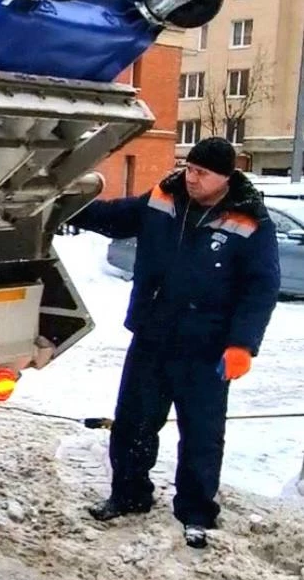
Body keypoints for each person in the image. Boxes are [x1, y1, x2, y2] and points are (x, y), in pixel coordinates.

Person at [69, 137, 280, 548]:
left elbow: (261, 287)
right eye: (189, 167)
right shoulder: (164, 197)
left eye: (202, 172)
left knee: (201, 433)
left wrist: (242, 344)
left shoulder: (250, 220)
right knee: (133, 423)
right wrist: (65, 203)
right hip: (153, 336)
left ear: (225, 177)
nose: (192, 177)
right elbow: (115, 218)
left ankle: (197, 512)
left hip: (207, 348)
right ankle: (129, 495)